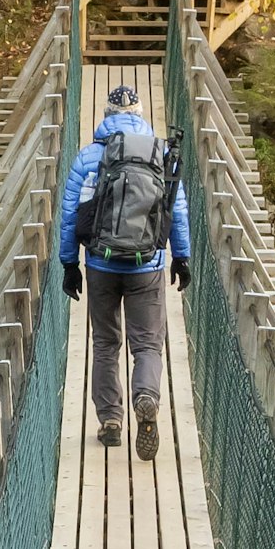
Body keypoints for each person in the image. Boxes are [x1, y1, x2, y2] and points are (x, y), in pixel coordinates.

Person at [56, 82, 190, 460]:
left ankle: (110, 421)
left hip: (100, 263)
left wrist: (70, 264)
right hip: (147, 264)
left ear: (105, 118)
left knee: (105, 343)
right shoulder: (161, 154)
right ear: (142, 114)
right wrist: (182, 257)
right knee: (147, 342)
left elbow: (69, 217)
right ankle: (146, 395)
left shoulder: (88, 158)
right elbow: (177, 211)